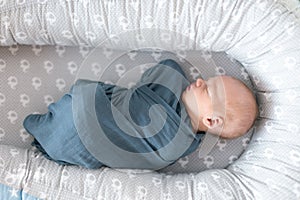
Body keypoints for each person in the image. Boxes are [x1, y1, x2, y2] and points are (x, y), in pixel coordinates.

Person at [23, 59, 258, 170]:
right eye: (204, 81)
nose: (198, 81)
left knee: (89, 111)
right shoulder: (186, 145)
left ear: (211, 120)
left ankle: (50, 128)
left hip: (85, 113)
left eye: (206, 88)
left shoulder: (174, 139)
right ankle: (50, 133)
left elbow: (165, 67)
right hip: (80, 153)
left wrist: (175, 80)